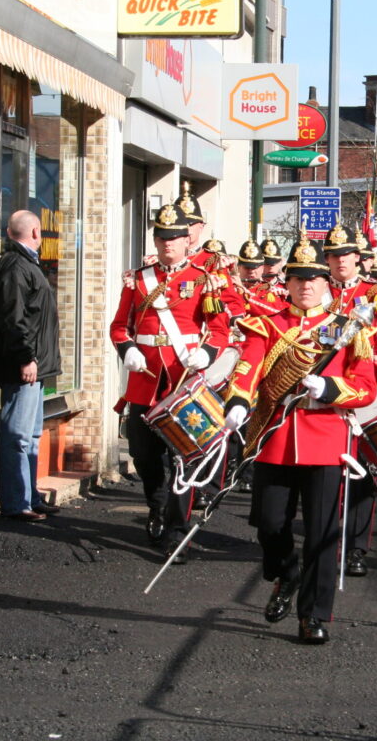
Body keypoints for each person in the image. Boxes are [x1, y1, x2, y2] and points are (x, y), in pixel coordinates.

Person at [223, 238, 377, 644]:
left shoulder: (347, 327)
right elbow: (248, 367)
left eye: (312, 279)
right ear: (287, 283)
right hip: (276, 436)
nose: (305, 285)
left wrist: (329, 388)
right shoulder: (269, 323)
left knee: (322, 532)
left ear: (325, 282)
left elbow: (365, 386)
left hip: (326, 440)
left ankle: (313, 615)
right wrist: (237, 400)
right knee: (269, 524)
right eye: (297, 279)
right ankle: (286, 573)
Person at [110, 202, 232, 562]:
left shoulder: (203, 279)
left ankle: (178, 532)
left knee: (185, 458)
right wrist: (127, 349)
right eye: (162, 238)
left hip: (183, 380)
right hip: (146, 379)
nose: (168, 244)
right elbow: (119, 326)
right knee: (143, 454)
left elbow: (220, 330)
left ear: (186, 240)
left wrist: (206, 354)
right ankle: (157, 505)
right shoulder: (139, 279)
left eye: (175, 237)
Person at [324, 225, 377, 577]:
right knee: (326, 472)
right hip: (324, 388)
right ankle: (325, 540)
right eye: (333, 255)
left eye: (346, 254)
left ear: (357, 257)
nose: (340, 261)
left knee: (362, 471)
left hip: (364, 387)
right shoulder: (316, 289)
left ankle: (355, 548)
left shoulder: (375, 293)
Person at [0, 210, 62, 522]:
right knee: (17, 436)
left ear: (9, 232)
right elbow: (13, 319)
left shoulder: (26, 264)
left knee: (30, 436)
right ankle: (16, 502)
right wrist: (25, 357)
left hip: (36, 365)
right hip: (25, 366)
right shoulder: (17, 266)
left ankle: (29, 497)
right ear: (35, 232)